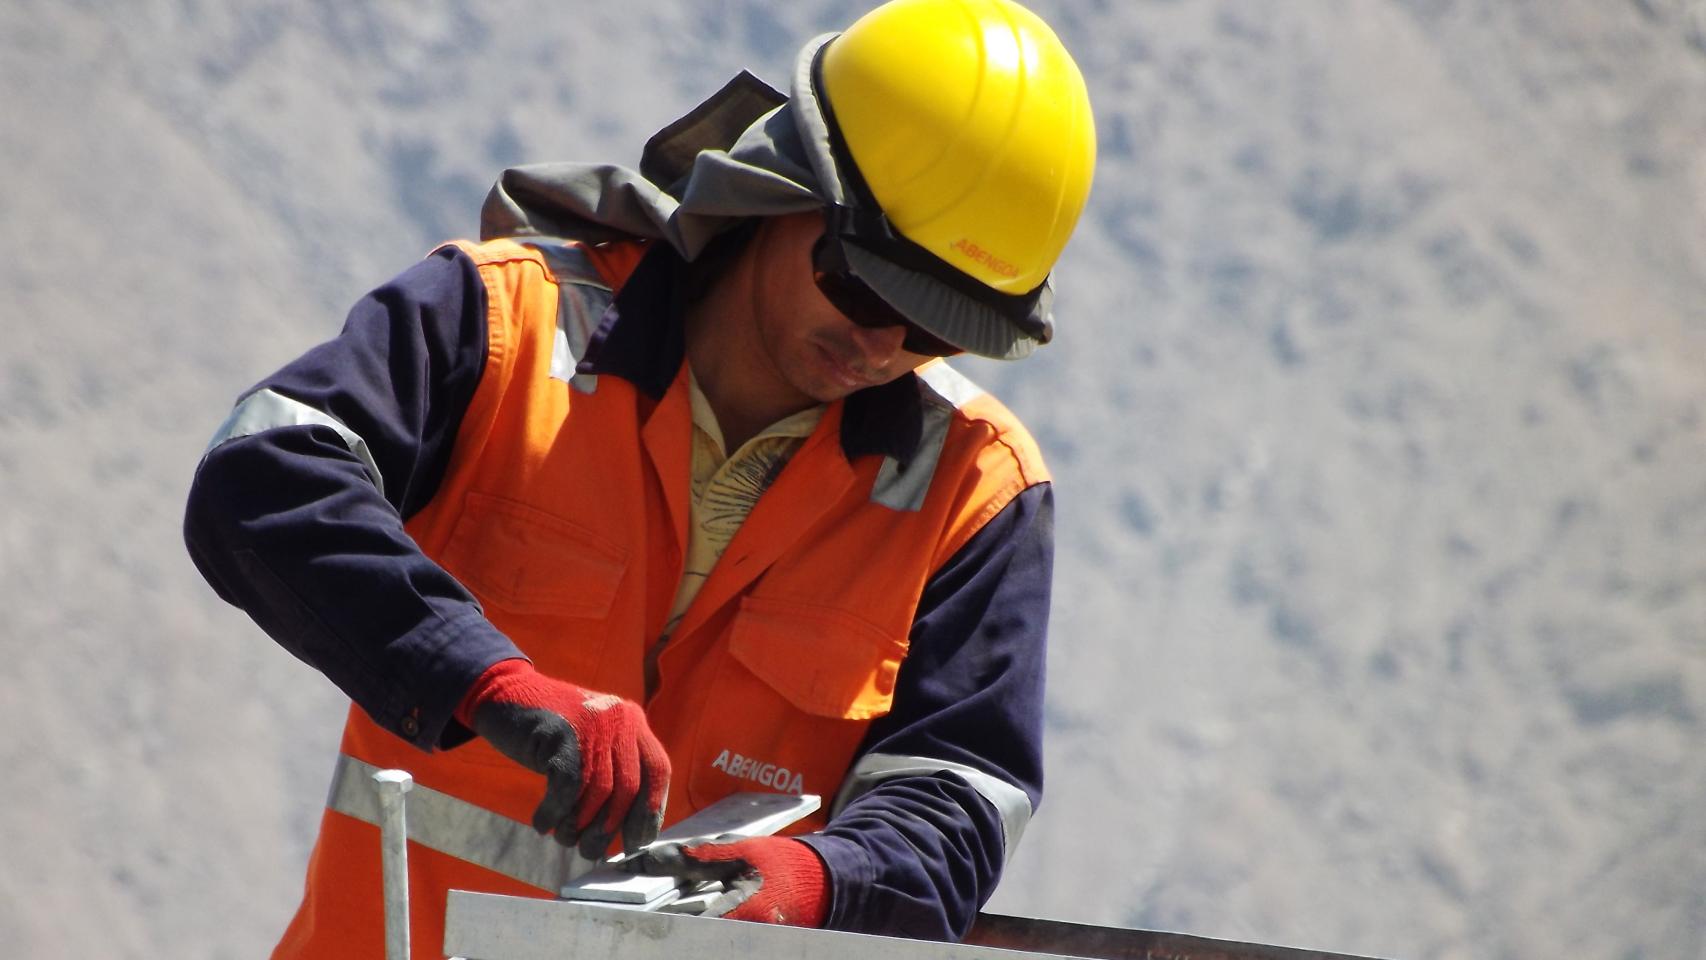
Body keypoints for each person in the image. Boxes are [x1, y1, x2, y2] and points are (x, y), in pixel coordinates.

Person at [183, 0, 1096, 954]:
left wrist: (789, 881)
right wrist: (491, 682)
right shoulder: (503, 324)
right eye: (864, 287)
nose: (882, 345)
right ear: (782, 188)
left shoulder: (976, 493)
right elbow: (261, 477)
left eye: (935, 328)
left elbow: (956, 799)